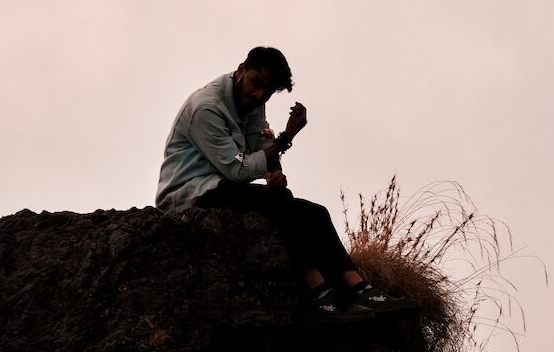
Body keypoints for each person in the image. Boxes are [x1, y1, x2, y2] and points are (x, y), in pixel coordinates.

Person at [155, 46, 419, 323]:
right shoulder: (206, 107)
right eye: (257, 83)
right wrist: (287, 136)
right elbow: (236, 169)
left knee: (315, 212)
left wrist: (274, 172)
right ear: (242, 69)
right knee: (281, 205)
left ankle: (360, 289)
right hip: (190, 192)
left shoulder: (252, 101)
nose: (259, 95)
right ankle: (320, 296)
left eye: (267, 92)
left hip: (220, 186)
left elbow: (261, 142)